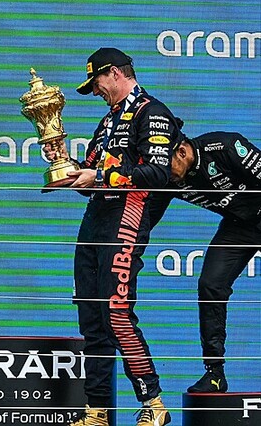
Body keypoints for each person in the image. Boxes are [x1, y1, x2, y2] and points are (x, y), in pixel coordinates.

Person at [47, 48, 179, 426]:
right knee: (91, 316)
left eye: (97, 83)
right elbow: (87, 178)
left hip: (128, 216)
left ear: (116, 74)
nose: (96, 91)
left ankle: (154, 404)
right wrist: (62, 162)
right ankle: (97, 412)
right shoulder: (108, 121)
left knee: (116, 313)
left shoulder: (152, 113)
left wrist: (102, 177)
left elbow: (158, 174)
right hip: (96, 218)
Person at [166, 132, 261, 393]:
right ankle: (215, 374)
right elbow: (146, 220)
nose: (165, 173)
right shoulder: (167, 178)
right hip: (239, 226)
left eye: (167, 165)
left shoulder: (224, 147)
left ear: (182, 152)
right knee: (210, 285)